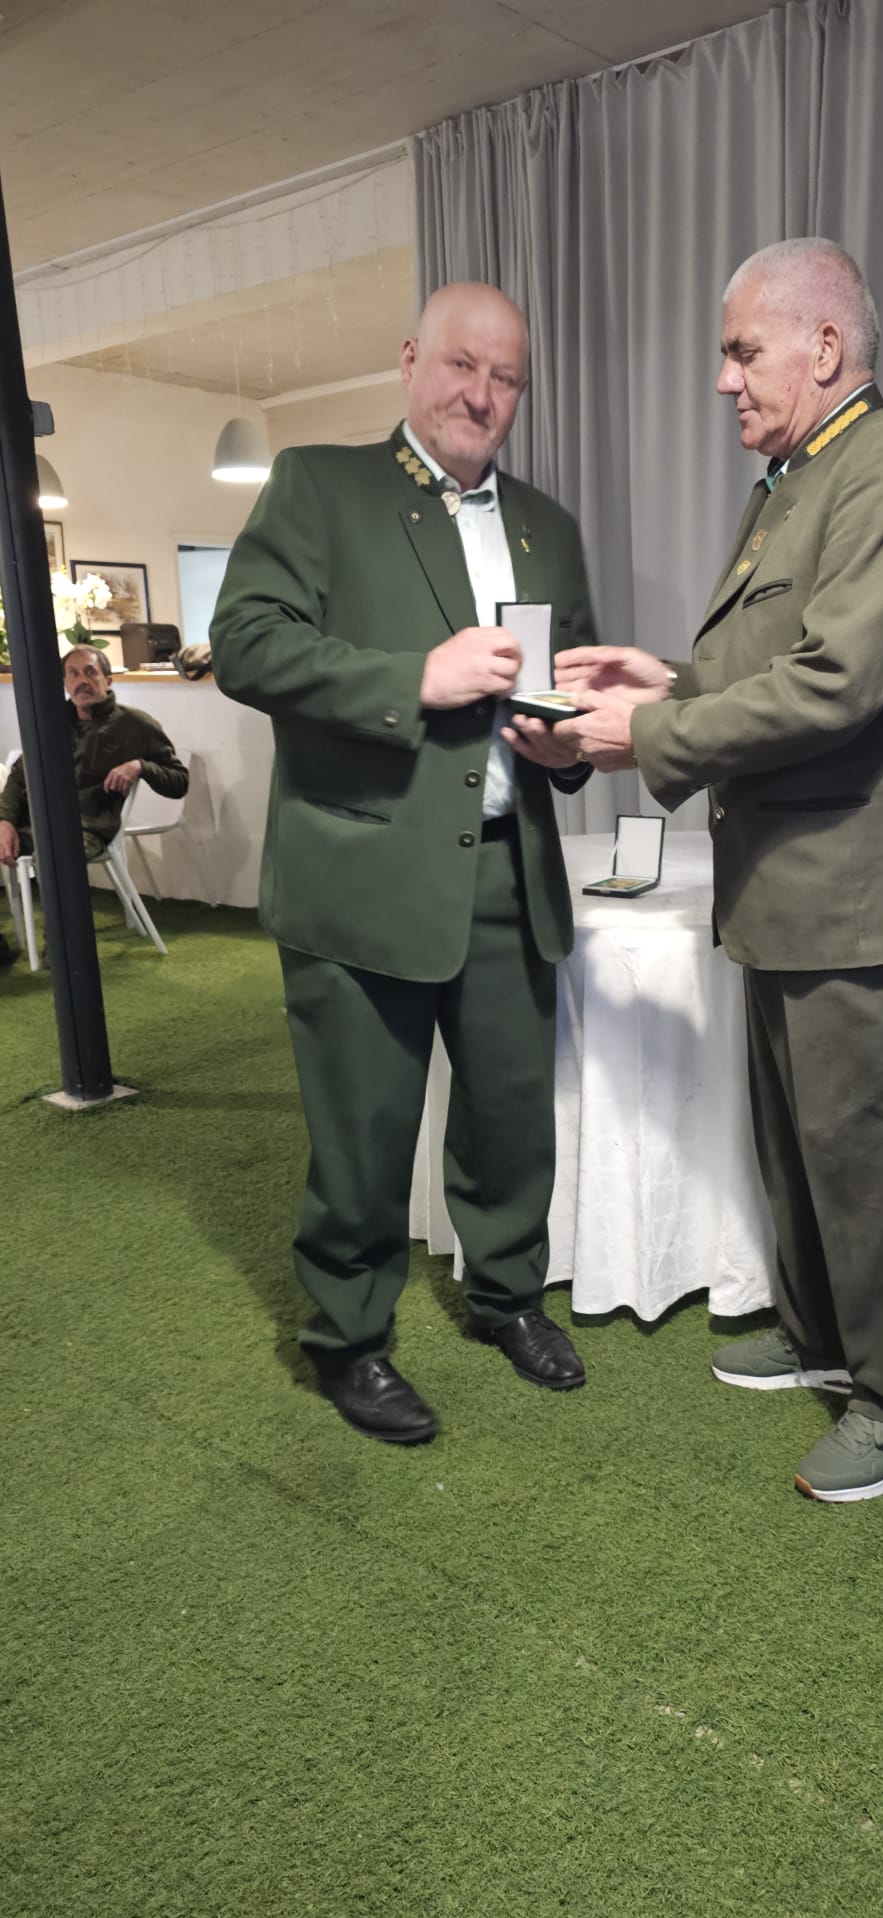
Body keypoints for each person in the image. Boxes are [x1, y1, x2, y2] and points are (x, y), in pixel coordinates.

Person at [551, 238, 883, 1504]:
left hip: (851, 886)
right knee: (795, 1141)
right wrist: (662, 678)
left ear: (824, 347)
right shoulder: (795, 481)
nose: (723, 378)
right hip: (783, 879)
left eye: (742, 350)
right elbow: (764, 671)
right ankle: (821, 1339)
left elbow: (837, 685)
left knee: (855, 1149)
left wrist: (649, 732)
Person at [210, 281, 597, 1446]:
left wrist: (571, 736)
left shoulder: (548, 525)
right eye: (462, 365)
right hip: (363, 873)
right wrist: (411, 680)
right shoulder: (319, 485)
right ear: (409, 360)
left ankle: (506, 1295)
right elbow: (245, 643)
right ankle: (348, 1337)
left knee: (511, 1116)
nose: (482, 394)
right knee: (363, 1130)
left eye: (507, 377)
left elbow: (562, 682)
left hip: (509, 868)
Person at [0, 645, 189, 869]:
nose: (82, 681)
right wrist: (5, 821)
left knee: (55, 856)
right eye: (73, 673)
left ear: (108, 681)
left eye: (90, 672)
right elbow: (19, 776)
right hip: (34, 824)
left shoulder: (135, 725)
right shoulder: (52, 725)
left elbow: (179, 782)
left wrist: (140, 766)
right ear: (65, 683)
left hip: (86, 830)